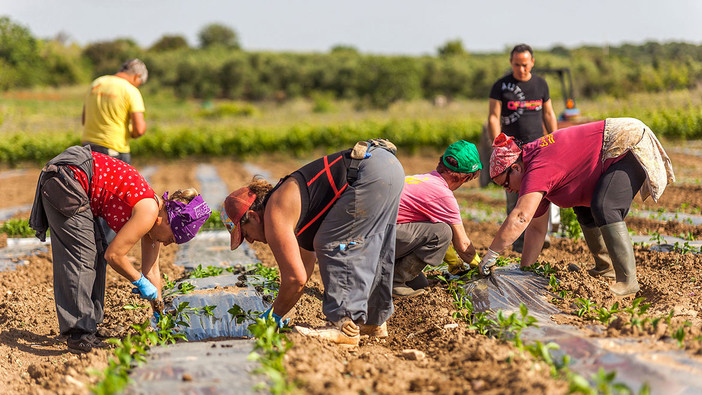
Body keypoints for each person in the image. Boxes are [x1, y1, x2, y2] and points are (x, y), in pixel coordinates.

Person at [221, 139, 404, 346]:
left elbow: (295, 279)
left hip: (369, 171)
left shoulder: (275, 211)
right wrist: (281, 310)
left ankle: (344, 325)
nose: (251, 241)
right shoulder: (292, 207)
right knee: (375, 243)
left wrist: (271, 318)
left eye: (245, 233)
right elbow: (303, 271)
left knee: (331, 242)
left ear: (253, 216)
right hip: (387, 165)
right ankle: (374, 321)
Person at [29, 145, 211, 353]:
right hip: (67, 179)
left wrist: (159, 312)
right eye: (172, 238)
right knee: (82, 256)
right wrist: (139, 281)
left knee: (95, 252)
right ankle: (79, 333)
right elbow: (114, 255)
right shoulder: (148, 211)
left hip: (75, 179)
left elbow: (152, 271)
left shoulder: (154, 221)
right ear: (166, 220)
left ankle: (89, 326)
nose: (168, 243)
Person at [478, 118, 675, 297]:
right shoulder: (532, 167)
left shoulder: (537, 166)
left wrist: (491, 253)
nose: (509, 190)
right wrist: (525, 271)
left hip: (625, 143)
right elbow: (536, 229)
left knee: (606, 207)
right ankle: (605, 267)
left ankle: (627, 281)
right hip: (609, 153)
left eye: (505, 183)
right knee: (583, 207)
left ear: (516, 167)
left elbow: (521, 217)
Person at [486, 43, 559, 253]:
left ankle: (540, 236)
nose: (521, 69)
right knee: (513, 193)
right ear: (511, 63)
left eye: (525, 65)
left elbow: (548, 114)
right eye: (517, 65)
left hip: (538, 148)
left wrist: (555, 139)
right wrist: (498, 146)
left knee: (542, 194)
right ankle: (518, 243)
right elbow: (493, 116)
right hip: (512, 152)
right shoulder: (500, 86)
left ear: (532, 62)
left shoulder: (541, 85)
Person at [392, 140, 482, 297]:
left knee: (419, 283)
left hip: (374, 235)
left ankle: (385, 276)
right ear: (463, 177)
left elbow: (429, 226)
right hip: (377, 240)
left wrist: (453, 261)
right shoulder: (442, 194)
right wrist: (482, 267)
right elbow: (463, 246)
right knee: (443, 231)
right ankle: (394, 282)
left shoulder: (423, 179)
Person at [81, 58, 148, 165]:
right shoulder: (130, 90)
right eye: (140, 82)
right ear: (137, 76)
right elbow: (139, 129)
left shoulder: (96, 83)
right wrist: (132, 133)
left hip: (87, 148)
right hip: (114, 149)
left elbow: (84, 119)